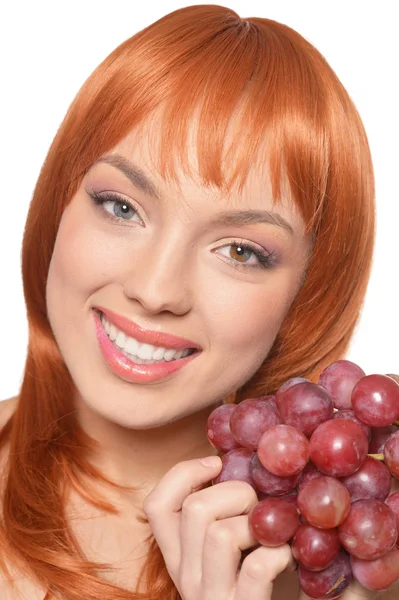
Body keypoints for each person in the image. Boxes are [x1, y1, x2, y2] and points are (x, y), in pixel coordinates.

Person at [0, 4, 397, 599]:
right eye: (121, 207)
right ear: (59, 201)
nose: (156, 291)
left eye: (240, 251)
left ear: (307, 294)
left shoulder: (349, 567)